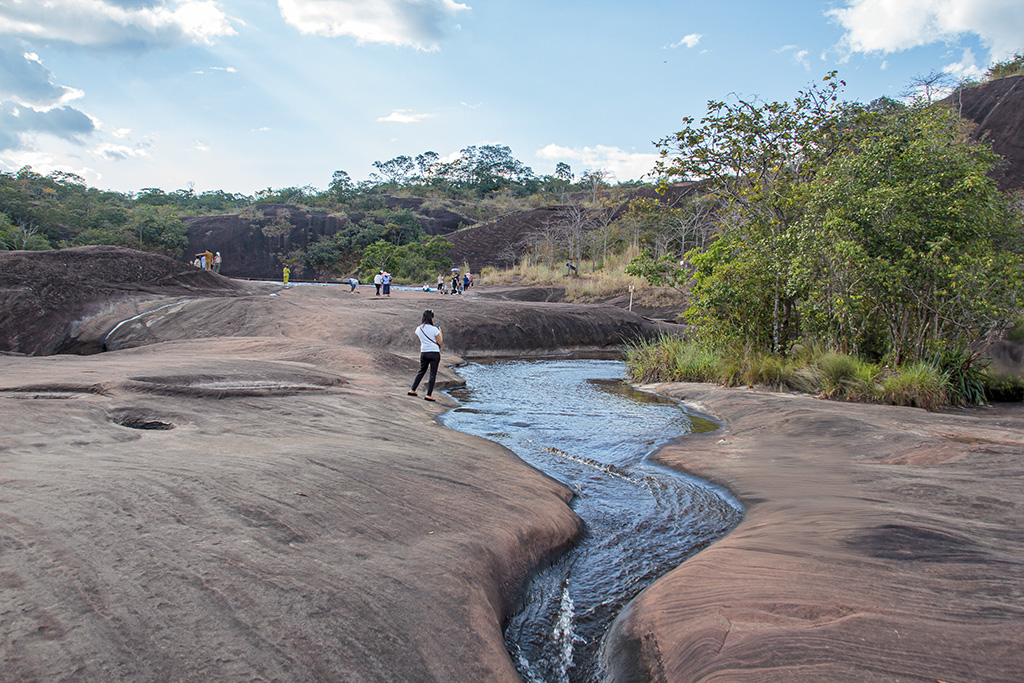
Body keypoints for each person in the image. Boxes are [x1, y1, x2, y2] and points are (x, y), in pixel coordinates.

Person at [408, 309, 442, 401]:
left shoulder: (419, 328)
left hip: (424, 352)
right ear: (431, 318)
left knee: (422, 370)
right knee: (432, 373)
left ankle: (413, 389)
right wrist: (439, 330)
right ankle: (428, 395)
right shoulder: (434, 329)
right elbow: (440, 341)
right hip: (434, 352)